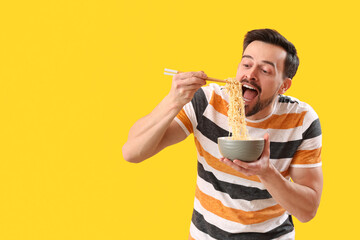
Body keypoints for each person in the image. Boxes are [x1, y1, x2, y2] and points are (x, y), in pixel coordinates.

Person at [122, 29, 323, 240]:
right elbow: (132, 152)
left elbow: (307, 211)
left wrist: (267, 173)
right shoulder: (207, 102)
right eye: (246, 64)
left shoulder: (301, 119)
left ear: (284, 85)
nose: (250, 74)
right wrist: (173, 101)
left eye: (265, 70)